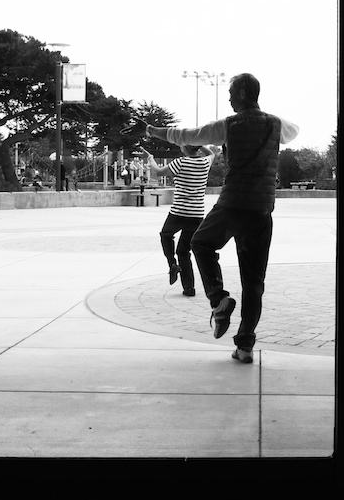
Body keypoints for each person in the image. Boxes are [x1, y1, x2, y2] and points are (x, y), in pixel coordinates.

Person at [126, 73, 299, 364]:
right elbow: (293, 130)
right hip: (261, 210)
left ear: (243, 92)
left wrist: (155, 131)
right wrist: (266, 118)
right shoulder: (277, 125)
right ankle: (245, 346)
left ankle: (219, 300)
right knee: (254, 281)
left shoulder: (229, 126)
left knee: (201, 243)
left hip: (232, 205)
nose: (229, 97)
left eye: (231, 92)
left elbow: (189, 135)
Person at [136, 144, 217, 296]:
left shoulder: (180, 162)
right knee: (184, 251)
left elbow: (158, 172)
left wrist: (150, 158)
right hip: (197, 214)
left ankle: (172, 264)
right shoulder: (205, 162)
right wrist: (199, 142)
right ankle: (189, 288)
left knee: (166, 235)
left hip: (179, 212)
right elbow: (211, 153)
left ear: (184, 148)